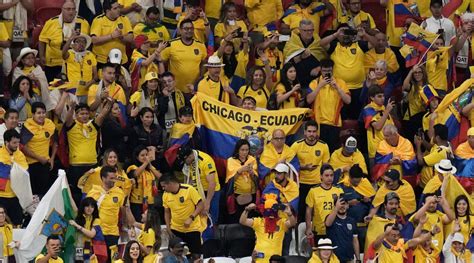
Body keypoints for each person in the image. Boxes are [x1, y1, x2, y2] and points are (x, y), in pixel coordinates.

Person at [320, 25, 377, 120]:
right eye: (343, 33)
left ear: (353, 34)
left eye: (348, 33)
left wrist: (365, 35)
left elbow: (375, 44)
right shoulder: (334, 46)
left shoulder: (359, 45)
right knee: (341, 115)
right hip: (339, 87)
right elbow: (321, 43)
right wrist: (336, 34)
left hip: (358, 87)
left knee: (357, 114)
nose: (346, 36)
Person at [66, 100, 113, 204]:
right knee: (77, 193)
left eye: (87, 113)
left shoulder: (93, 126)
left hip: (92, 165)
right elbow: (68, 119)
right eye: (81, 114)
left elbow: (102, 114)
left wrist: (109, 103)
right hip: (76, 166)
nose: (85, 116)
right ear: (76, 115)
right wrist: (71, 108)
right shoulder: (71, 126)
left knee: (93, 192)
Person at [306, 59, 351, 152]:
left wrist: (337, 88)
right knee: (319, 152)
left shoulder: (340, 83)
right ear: (321, 70)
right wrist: (319, 86)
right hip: (318, 124)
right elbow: (309, 100)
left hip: (334, 123)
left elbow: (348, 100)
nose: (327, 73)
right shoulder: (314, 83)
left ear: (333, 70)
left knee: (333, 151)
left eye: (329, 71)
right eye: (325, 71)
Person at [38, 0, 90, 81]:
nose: (71, 12)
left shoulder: (83, 22)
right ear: (62, 10)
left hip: (74, 63)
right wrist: (41, 56)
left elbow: (87, 43)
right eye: (68, 9)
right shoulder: (51, 22)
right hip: (54, 63)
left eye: (73, 9)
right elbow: (42, 40)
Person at [87, 166, 129, 261]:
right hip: (97, 233)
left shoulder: (120, 192)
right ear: (103, 178)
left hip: (113, 234)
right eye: (111, 178)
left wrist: (125, 227)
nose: (114, 180)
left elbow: (124, 212)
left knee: (113, 260)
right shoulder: (93, 192)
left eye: (114, 177)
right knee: (98, 260)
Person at [177, 145, 220, 239]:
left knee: (210, 217)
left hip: (211, 191)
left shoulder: (205, 160)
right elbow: (189, 178)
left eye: (185, 161)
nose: (185, 163)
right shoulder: (190, 161)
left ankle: (210, 241)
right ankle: (199, 238)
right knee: (198, 217)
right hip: (198, 190)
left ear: (190, 156)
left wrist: (207, 203)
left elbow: (212, 183)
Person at [290, 120, 330, 218]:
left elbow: (326, 166)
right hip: (301, 183)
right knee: (301, 211)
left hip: (317, 184)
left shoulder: (323, 146)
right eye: (309, 131)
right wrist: (304, 167)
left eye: (314, 131)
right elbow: (289, 164)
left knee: (316, 212)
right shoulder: (296, 145)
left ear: (317, 132)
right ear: (304, 132)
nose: (311, 134)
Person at [160, 174, 204, 260]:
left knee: (195, 256)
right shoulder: (165, 195)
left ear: (170, 183)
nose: (163, 189)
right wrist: (168, 228)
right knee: (175, 255)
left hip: (192, 228)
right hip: (176, 230)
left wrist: (191, 217)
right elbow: (166, 212)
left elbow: (201, 204)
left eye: (164, 186)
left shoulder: (189, 189)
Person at [160, 18, 207, 93]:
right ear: (180, 30)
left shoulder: (201, 45)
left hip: (193, 89)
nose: (189, 31)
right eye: (186, 29)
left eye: (191, 28)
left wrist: (201, 77)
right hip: (174, 89)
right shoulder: (171, 44)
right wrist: (164, 80)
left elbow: (204, 62)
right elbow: (161, 61)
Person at [20, 102, 57, 197]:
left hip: (46, 163)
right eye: (39, 113)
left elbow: (55, 142)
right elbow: (22, 147)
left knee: (46, 194)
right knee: (34, 194)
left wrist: (52, 158)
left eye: (43, 113)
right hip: (31, 164)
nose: (41, 115)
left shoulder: (49, 124)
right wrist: (39, 158)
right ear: (33, 114)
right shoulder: (28, 126)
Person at [283, 20, 326, 88]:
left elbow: (326, 61)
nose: (309, 32)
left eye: (311, 30)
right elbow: (288, 63)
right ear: (300, 30)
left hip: (316, 82)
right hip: (297, 82)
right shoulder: (292, 41)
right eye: (305, 30)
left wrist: (319, 68)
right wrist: (301, 57)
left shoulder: (318, 41)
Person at [306, 164, 343, 240]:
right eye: (326, 175)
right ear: (321, 176)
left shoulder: (339, 190)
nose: (329, 178)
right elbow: (308, 211)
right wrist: (308, 228)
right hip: (319, 230)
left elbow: (343, 208)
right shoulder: (313, 191)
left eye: (331, 175)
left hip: (335, 229)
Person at [90, 0, 133, 65]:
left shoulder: (124, 19)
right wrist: (111, 36)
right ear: (108, 11)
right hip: (102, 60)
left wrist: (121, 37)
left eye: (118, 7)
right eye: (115, 8)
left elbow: (131, 38)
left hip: (121, 59)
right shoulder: (98, 20)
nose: (118, 10)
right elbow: (94, 40)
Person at [0, 129, 28, 226]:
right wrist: (11, 169)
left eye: (18, 142)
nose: (17, 145)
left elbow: (24, 172)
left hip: (16, 196)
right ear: (6, 142)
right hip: (1, 196)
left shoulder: (20, 155)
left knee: (17, 224)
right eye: (14, 143)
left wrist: (9, 169)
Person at [226, 139, 258, 223]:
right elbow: (230, 180)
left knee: (250, 218)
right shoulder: (231, 160)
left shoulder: (252, 159)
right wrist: (240, 171)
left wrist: (252, 173)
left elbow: (256, 179)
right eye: (242, 150)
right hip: (237, 194)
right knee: (238, 218)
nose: (245, 152)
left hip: (251, 194)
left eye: (247, 150)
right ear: (237, 150)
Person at [127, 145, 161, 221]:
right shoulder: (132, 167)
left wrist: (150, 166)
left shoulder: (150, 168)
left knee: (149, 224)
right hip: (137, 202)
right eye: (142, 155)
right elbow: (135, 174)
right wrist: (145, 163)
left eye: (146, 155)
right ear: (137, 157)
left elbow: (161, 178)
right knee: (138, 224)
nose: (145, 157)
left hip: (150, 201)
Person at [361, 85, 395, 160]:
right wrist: (387, 111)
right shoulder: (368, 110)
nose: (382, 98)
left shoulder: (384, 108)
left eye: (383, 96)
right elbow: (378, 127)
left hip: (389, 148)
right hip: (376, 151)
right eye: (379, 96)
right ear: (372, 98)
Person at [370, 223, 435, 263]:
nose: (396, 238)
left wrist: (431, 233)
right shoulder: (381, 244)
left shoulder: (401, 242)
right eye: (393, 235)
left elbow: (419, 240)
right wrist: (385, 233)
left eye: (398, 235)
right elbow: (375, 245)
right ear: (386, 235)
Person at [61, 33, 97, 103]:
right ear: (73, 44)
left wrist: (89, 84)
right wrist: (70, 38)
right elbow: (63, 53)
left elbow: (96, 76)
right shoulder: (70, 54)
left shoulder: (90, 55)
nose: (81, 43)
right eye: (78, 41)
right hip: (73, 91)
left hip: (87, 91)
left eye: (83, 41)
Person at [415, 124, 453, 188]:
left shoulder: (440, 153)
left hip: (429, 185)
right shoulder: (447, 144)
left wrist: (418, 145)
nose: (432, 136)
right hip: (426, 182)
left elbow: (420, 162)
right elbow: (431, 148)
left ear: (437, 137)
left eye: (434, 135)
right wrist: (423, 141)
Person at [325, 196, 361, 262]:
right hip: (334, 259)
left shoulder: (352, 221)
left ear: (348, 206)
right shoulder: (331, 218)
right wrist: (336, 208)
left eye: (344, 204)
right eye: (339, 204)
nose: (342, 206)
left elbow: (355, 241)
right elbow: (328, 224)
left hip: (349, 259)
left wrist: (358, 259)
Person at [68, 197, 104, 262]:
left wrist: (76, 225)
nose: (89, 209)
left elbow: (91, 234)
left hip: (87, 246)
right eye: (87, 206)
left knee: (86, 261)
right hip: (77, 245)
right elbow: (71, 202)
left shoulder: (96, 220)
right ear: (83, 206)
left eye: (92, 207)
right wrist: (66, 187)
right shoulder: (78, 215)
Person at [401, 65, 428, 140]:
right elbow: (405, 85)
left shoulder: (428, 87)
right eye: (415, 73)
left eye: (419, 72)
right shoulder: (412, 86)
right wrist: (411, 71)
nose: (417, 74)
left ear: (423, 73)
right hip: (411, 118)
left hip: (423, 118)